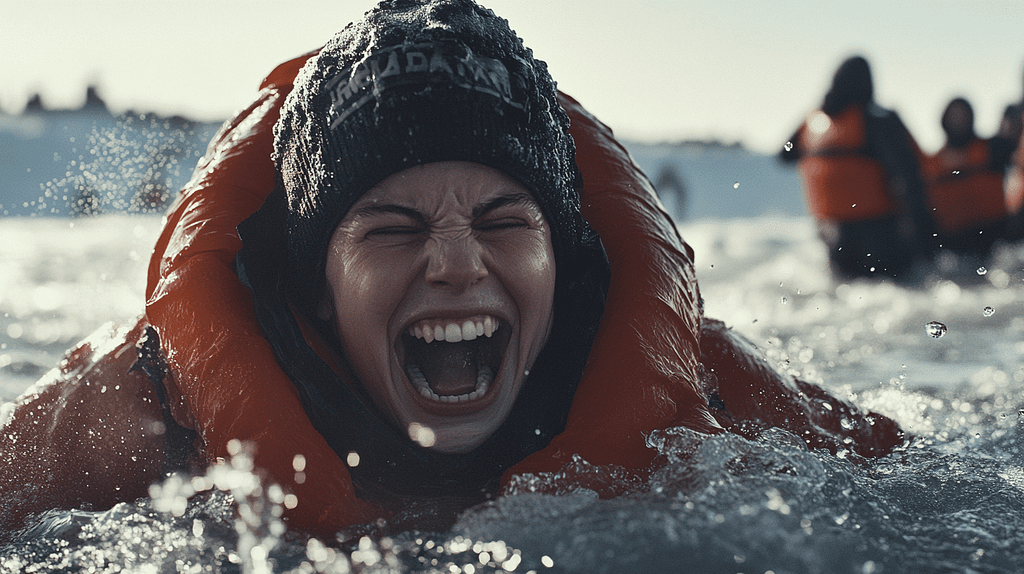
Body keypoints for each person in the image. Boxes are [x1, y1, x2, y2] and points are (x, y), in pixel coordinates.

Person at [0, 0, 905, 539]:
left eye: (507, 219)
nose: (456, 261)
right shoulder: (129, 424)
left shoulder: (711, 405)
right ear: (315, 283)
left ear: (561, 258)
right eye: (392, 228)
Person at [780, 55, 936, 284]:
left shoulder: (810, 123)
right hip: (880, 235)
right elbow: (908, 177)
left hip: (833, 235)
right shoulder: (877, 120)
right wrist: (926, 234)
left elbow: (784, 153)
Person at [920, 97, 1016, 267]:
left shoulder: (994, 148)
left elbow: (1015, 140)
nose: (958, 120)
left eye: (963, 115)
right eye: (954, 116)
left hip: (995, 235)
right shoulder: (931, 164)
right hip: (953, 242)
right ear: (944, 120)